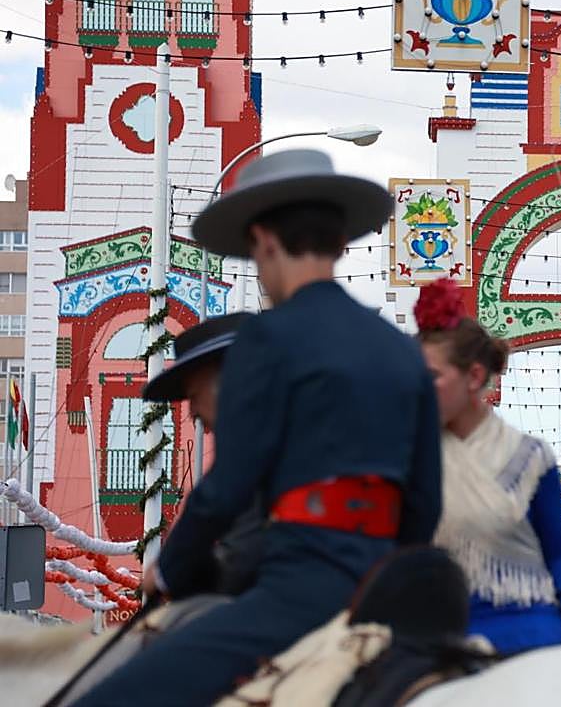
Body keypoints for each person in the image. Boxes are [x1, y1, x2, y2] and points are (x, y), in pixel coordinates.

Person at [76, 149, 443, 706]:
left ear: (265, 240)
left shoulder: (266, 340)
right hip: (391, 594)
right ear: (339, 242)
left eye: (254, 254)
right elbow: (424, 503)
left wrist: (168, 570)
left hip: (302, 589)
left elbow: (230, 485)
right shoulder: (402, 353)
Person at [415, 278, 561, 654]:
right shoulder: (413, 456)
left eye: (431, 376)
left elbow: (559, 554)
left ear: (474, 377)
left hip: (526, 628)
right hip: (436, 630)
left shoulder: (530, 457)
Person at [142, 311, 261, 595]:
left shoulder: (256, 437)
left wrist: (163, 574)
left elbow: (213, 501)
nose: (192, 412)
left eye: (194, 396)